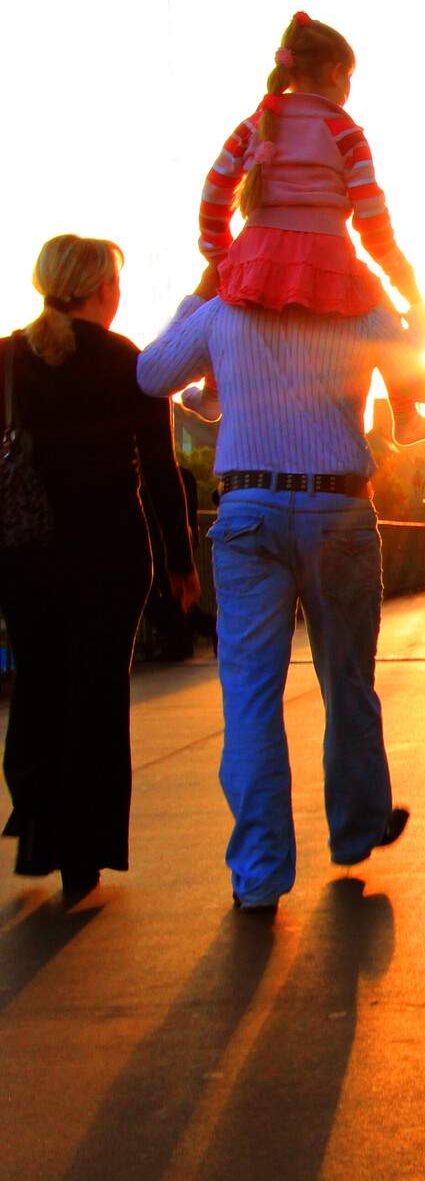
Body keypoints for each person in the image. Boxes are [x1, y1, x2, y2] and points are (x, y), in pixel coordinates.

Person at [138, 270, 425, 914]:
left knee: (250, 697)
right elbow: (423, 383)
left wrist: (201, 289)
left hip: (247, 509)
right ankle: (355, 830)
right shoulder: (358, 300)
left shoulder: (224, 311)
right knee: (347, 680)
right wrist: (412, 299)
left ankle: (260, 874)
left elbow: (152, 373)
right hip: (339, 508)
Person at [0, 236, 199, 903]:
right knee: (98, 695)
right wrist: (180, 561)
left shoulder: (6, 360)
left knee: (38, 683)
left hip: (25, 554)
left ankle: (36, 817)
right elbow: (164, 476)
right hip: (111, 554)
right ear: (99, 291)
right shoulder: (131, 364)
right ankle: (82, 850)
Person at [189, 11, 425, 447]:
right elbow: (372, 221)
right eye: (350, 77)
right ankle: (405, 413)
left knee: (224, 302)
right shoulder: (345, 132)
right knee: (381, 317)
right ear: (335, 72)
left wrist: (222, 254)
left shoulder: (253, 125)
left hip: (255, 258)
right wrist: (409, 288)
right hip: (328, 261)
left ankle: (213, 394)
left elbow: (214, 194)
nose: (349, 90)